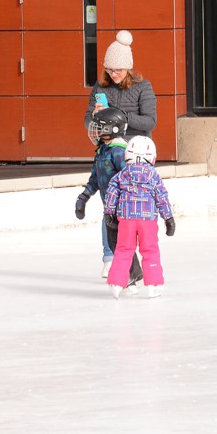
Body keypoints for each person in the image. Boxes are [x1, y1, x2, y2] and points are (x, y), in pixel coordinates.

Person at [75, 107, 143, 285]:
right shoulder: (102, 151)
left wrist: (131, 200)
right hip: (110, 207)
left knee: (121, 243)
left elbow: (130, 177)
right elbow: (96, 178)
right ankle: (134, 273)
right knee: (116, 243)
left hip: (124, 206)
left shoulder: (119, 152)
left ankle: (130, 275)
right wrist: (83, 197)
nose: (95, 131)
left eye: (99, 127)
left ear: (112, 129)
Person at [104, 136, 175, 299]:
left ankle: (116, 283)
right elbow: (161, 197)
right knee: (150, 250)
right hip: (147, 220)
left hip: (126, 219)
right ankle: (154, 284)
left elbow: (112, 192)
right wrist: (168, 218)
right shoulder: (153, 175)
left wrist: (109, 212)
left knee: (123, 249)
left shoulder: (122, 174)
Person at [84, 30, 157, 141]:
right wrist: (95, 115)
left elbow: (150, 122)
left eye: (118, 70)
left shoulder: (143, 86)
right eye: (109, 70)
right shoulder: (100, 86)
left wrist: (121, 116)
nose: (113, 74)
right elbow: (87, 121)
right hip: (109, 143)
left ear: (128, 68)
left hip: (135, 145)